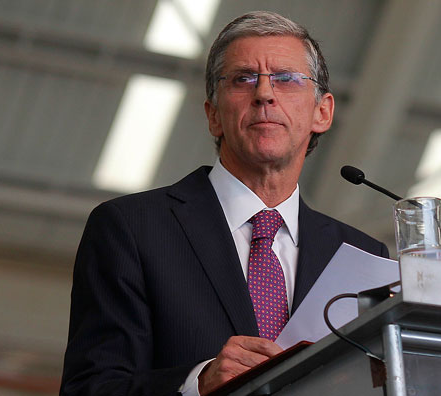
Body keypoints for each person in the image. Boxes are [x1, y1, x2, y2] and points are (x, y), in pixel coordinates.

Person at [60, 11, 388, 396]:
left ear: (323, 112)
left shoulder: (363, 256)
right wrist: (195, 383)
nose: (264, 94)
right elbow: (90, 388)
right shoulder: (131, 228)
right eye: (243, 79)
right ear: (213, 115)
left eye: (286, 79)